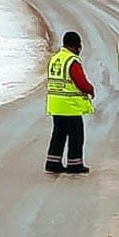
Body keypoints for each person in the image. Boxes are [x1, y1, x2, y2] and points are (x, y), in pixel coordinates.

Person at [45, 31, 95, 174]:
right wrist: (90, 89)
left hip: (55, 105)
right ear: (76, 46)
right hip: (69, 106)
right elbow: (80, 82)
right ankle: (75, 164)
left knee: (58, 134)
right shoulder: (71, 60)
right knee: (76, 135)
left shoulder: (55, 59)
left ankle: (52, 162)